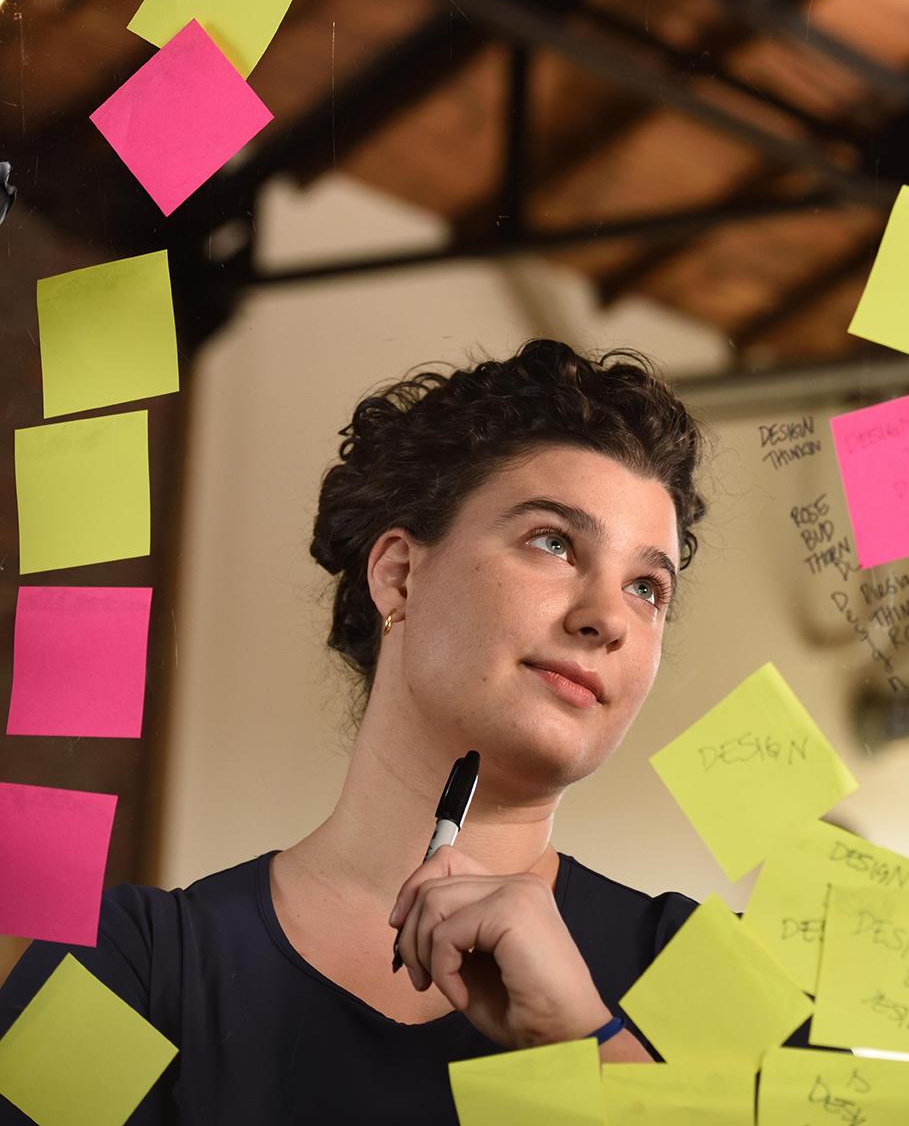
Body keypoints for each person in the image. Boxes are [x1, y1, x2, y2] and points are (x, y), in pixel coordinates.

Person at [0, 339, 819, 1124]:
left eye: (648, 588)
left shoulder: (723, 978)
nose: (608, 617)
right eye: (554, 542)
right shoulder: (129, 970)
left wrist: (586, 1043)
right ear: (399, 574)